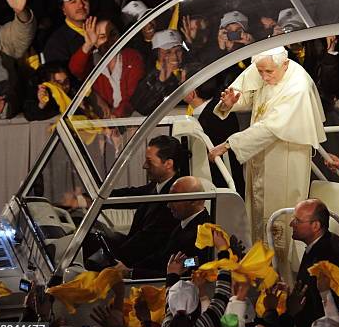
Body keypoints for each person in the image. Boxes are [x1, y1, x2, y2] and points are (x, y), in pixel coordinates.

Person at [207, 47, 326, 261]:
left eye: (268, 72)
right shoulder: (265, 65)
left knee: (280, 223)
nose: (263, 77)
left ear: (285, 64)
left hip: (285, 156)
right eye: (260, 72)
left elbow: (271, 128)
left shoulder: (297, 85)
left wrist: (229, 144)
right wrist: (232, 103)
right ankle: (261, 270)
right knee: (258, 217)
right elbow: (247, 92)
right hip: (259, 152)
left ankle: (283, 277)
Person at [105, 135, 181, 266]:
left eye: (149, 161)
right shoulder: (156, 186)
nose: (144, 166)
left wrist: (117, 258)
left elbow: (149, 239)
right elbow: (129, 194)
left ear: (168, 164)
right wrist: (94, 199)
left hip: (146, 265)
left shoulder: (175, 197)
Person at [115, 176, 211, 279]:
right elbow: (162, 257)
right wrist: (129, 268)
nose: (168, 205)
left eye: (175, 200)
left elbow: (181, 273)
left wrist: (130, 273)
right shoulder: (183, 223)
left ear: (194, 201)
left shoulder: (203, 236)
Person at [290, 198, 339, 327]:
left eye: (297, 221)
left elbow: (324, 308)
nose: (291, 224)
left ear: (316, 226)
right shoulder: (327, 241)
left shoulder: (326, 258)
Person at [68, 17, 145, 117]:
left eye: (113, 34)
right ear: (95, 42)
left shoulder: (132, 57)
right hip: (103, 122)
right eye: (102, 37)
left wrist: (116, 116)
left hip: (131, 118)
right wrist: (88, 45)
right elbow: (75, 70)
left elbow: (133, 95)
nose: (109, 40)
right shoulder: (91, 61)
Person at [183, 78, 245, 192]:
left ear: (192, 92)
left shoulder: (217, 115)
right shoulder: (210, 109)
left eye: (182, 84)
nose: (180, 87)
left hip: (222, 186)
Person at [131, 29, 187, 115]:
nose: (174, 56)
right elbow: (142, 110)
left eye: (178, 51)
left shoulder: (190, 71)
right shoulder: (149, 78)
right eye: (168, 52)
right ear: (157, 54)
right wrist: (161, 82)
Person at [43, 0, 91, 64]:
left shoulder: (102, 27)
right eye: (73, 1)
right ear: (63, 9)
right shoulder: (56, 44)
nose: (81, 5)